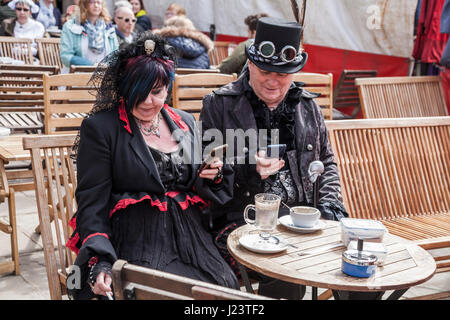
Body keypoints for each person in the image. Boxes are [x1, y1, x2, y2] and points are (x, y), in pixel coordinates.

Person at [66, 32, 239, 300]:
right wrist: (101, 258)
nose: (149, 101)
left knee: (223, 289)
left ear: (168, 88)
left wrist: (212, 174)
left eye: (157, 92)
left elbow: (197, 183)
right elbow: (92, 202)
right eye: (139, 92)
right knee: (158, 293)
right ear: (124, 88)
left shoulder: (183, 121)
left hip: (190, 237)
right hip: (135, 239)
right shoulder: (101, 128)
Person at [200, 17, 349, 299]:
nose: (273, 81)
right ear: (251, 65)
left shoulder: (306, 106)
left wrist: (329, 206)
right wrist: (247, 166)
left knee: (359, 265)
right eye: (265, 71)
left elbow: (327, 162)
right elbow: (204, 170)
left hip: (304, 220)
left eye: (282, 74)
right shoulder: (218, 105)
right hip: (243, 220)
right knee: (286, 270)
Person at [59, 0, 118, 72]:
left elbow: (115, 54)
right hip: (76, 76)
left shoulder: (108, 27)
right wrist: (92, 66)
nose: (96, 5)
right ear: (84, 4)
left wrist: (106, 66)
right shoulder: (70, 26)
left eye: (99, 2)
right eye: (92, 2)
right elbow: (66, 56)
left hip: (103, 75)